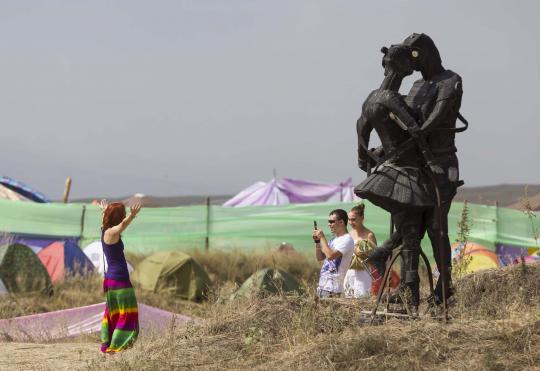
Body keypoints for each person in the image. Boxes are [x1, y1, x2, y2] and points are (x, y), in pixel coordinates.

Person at [354, 44, 434, 312]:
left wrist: (377, 155)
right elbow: (417, 130)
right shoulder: (391, 98)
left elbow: (361, 147)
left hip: (391, 172)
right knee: (412, 236)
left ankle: (385, 260)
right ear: (400, 68)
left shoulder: (369, 100)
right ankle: (408, 295)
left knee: (414, 228)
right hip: (408, 173)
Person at [99, 200, 141, 353]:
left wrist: (105, 210)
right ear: (118, 217)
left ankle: (108, 342)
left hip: (112, 280)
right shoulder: (112, 232)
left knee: (114, 312)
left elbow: (111, 221)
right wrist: (132, 216)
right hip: (120, 280)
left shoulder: (104, 230)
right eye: (121, 214)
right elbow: (122, 225)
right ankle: (116, 346)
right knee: (127, 313)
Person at [312, 209, 355, 298]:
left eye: (331, 222)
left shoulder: (347, 239)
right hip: (323, 287)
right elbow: (320, 257)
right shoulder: (334, 240)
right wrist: (317, 242)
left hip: (333, 289)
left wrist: (322, 237)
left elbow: (330, 256)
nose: (329, 224)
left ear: (341, 222)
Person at [343, 204, 377, 298]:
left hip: (364, 273)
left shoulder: (369, 235)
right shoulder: (348, 235)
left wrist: (363, 253)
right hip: (349, 271)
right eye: (349, 219)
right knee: (348, 298)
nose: (350, 222)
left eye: (353, 219)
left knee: (362, 298)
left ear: (362, 218)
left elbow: (376, 256)